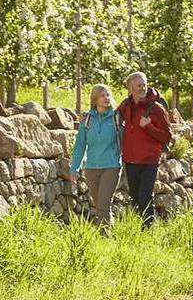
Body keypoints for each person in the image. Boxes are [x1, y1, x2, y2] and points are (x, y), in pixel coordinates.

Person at [116, 71, 172, 227]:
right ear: (130, 88)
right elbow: (112, 118)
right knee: (134, 197)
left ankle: (148, 230)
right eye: (138, 85)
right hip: (130, 159)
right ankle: (137, 230)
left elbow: (167, 136)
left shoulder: (156, 109)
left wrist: (149, 127)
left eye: (144, 84)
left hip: (149, 160)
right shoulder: (125, 106)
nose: (142, 88)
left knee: (145, 196)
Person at [69, 83, 122, 228]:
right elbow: (80, 145)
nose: (106, 98)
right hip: (91, 168)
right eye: (102, 95)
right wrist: (74, 168)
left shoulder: (116, 118)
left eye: (108, 95)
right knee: (99, 207)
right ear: (95, 100)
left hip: (111, 167)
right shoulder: (87, 120)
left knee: (104, 205)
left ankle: (105, 238)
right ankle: (110, 232)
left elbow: (126, 142)